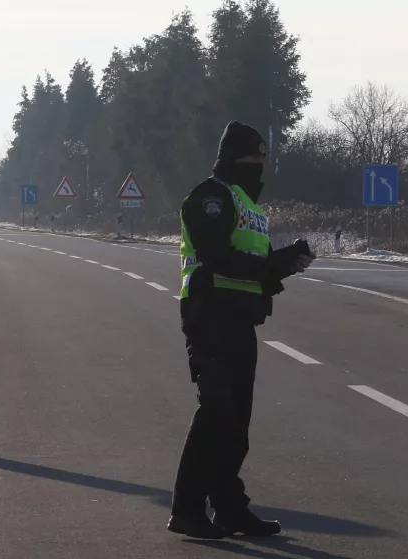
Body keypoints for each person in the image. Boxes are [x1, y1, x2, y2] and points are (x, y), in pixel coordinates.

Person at [168, 120, 315, 539]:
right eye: (251, 157)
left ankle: (230, 508)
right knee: (216, 414)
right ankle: (188, 509)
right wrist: (272, 264)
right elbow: (217, 256)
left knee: (235, 422)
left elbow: (257, 270)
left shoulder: (250, 208)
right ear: (232, 157)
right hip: (210, 314)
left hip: (238, 319)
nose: (258, 165)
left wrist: (286, 263)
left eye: (261, 159)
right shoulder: (211, 197)